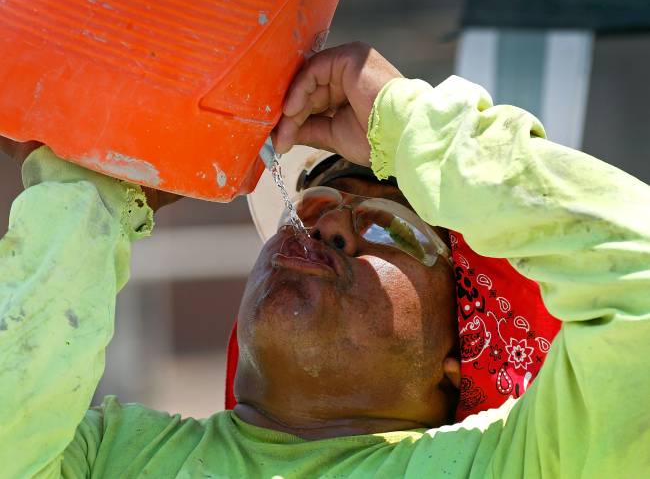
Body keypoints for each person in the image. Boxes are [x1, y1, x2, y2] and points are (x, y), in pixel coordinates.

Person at [0, 42, 648, 478]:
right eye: (308, 205)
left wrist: (412, 125)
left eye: (389, 228)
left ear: (458, 346)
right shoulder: (107, 460)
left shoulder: (522, 461)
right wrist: (93, 200)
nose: (329, 220)